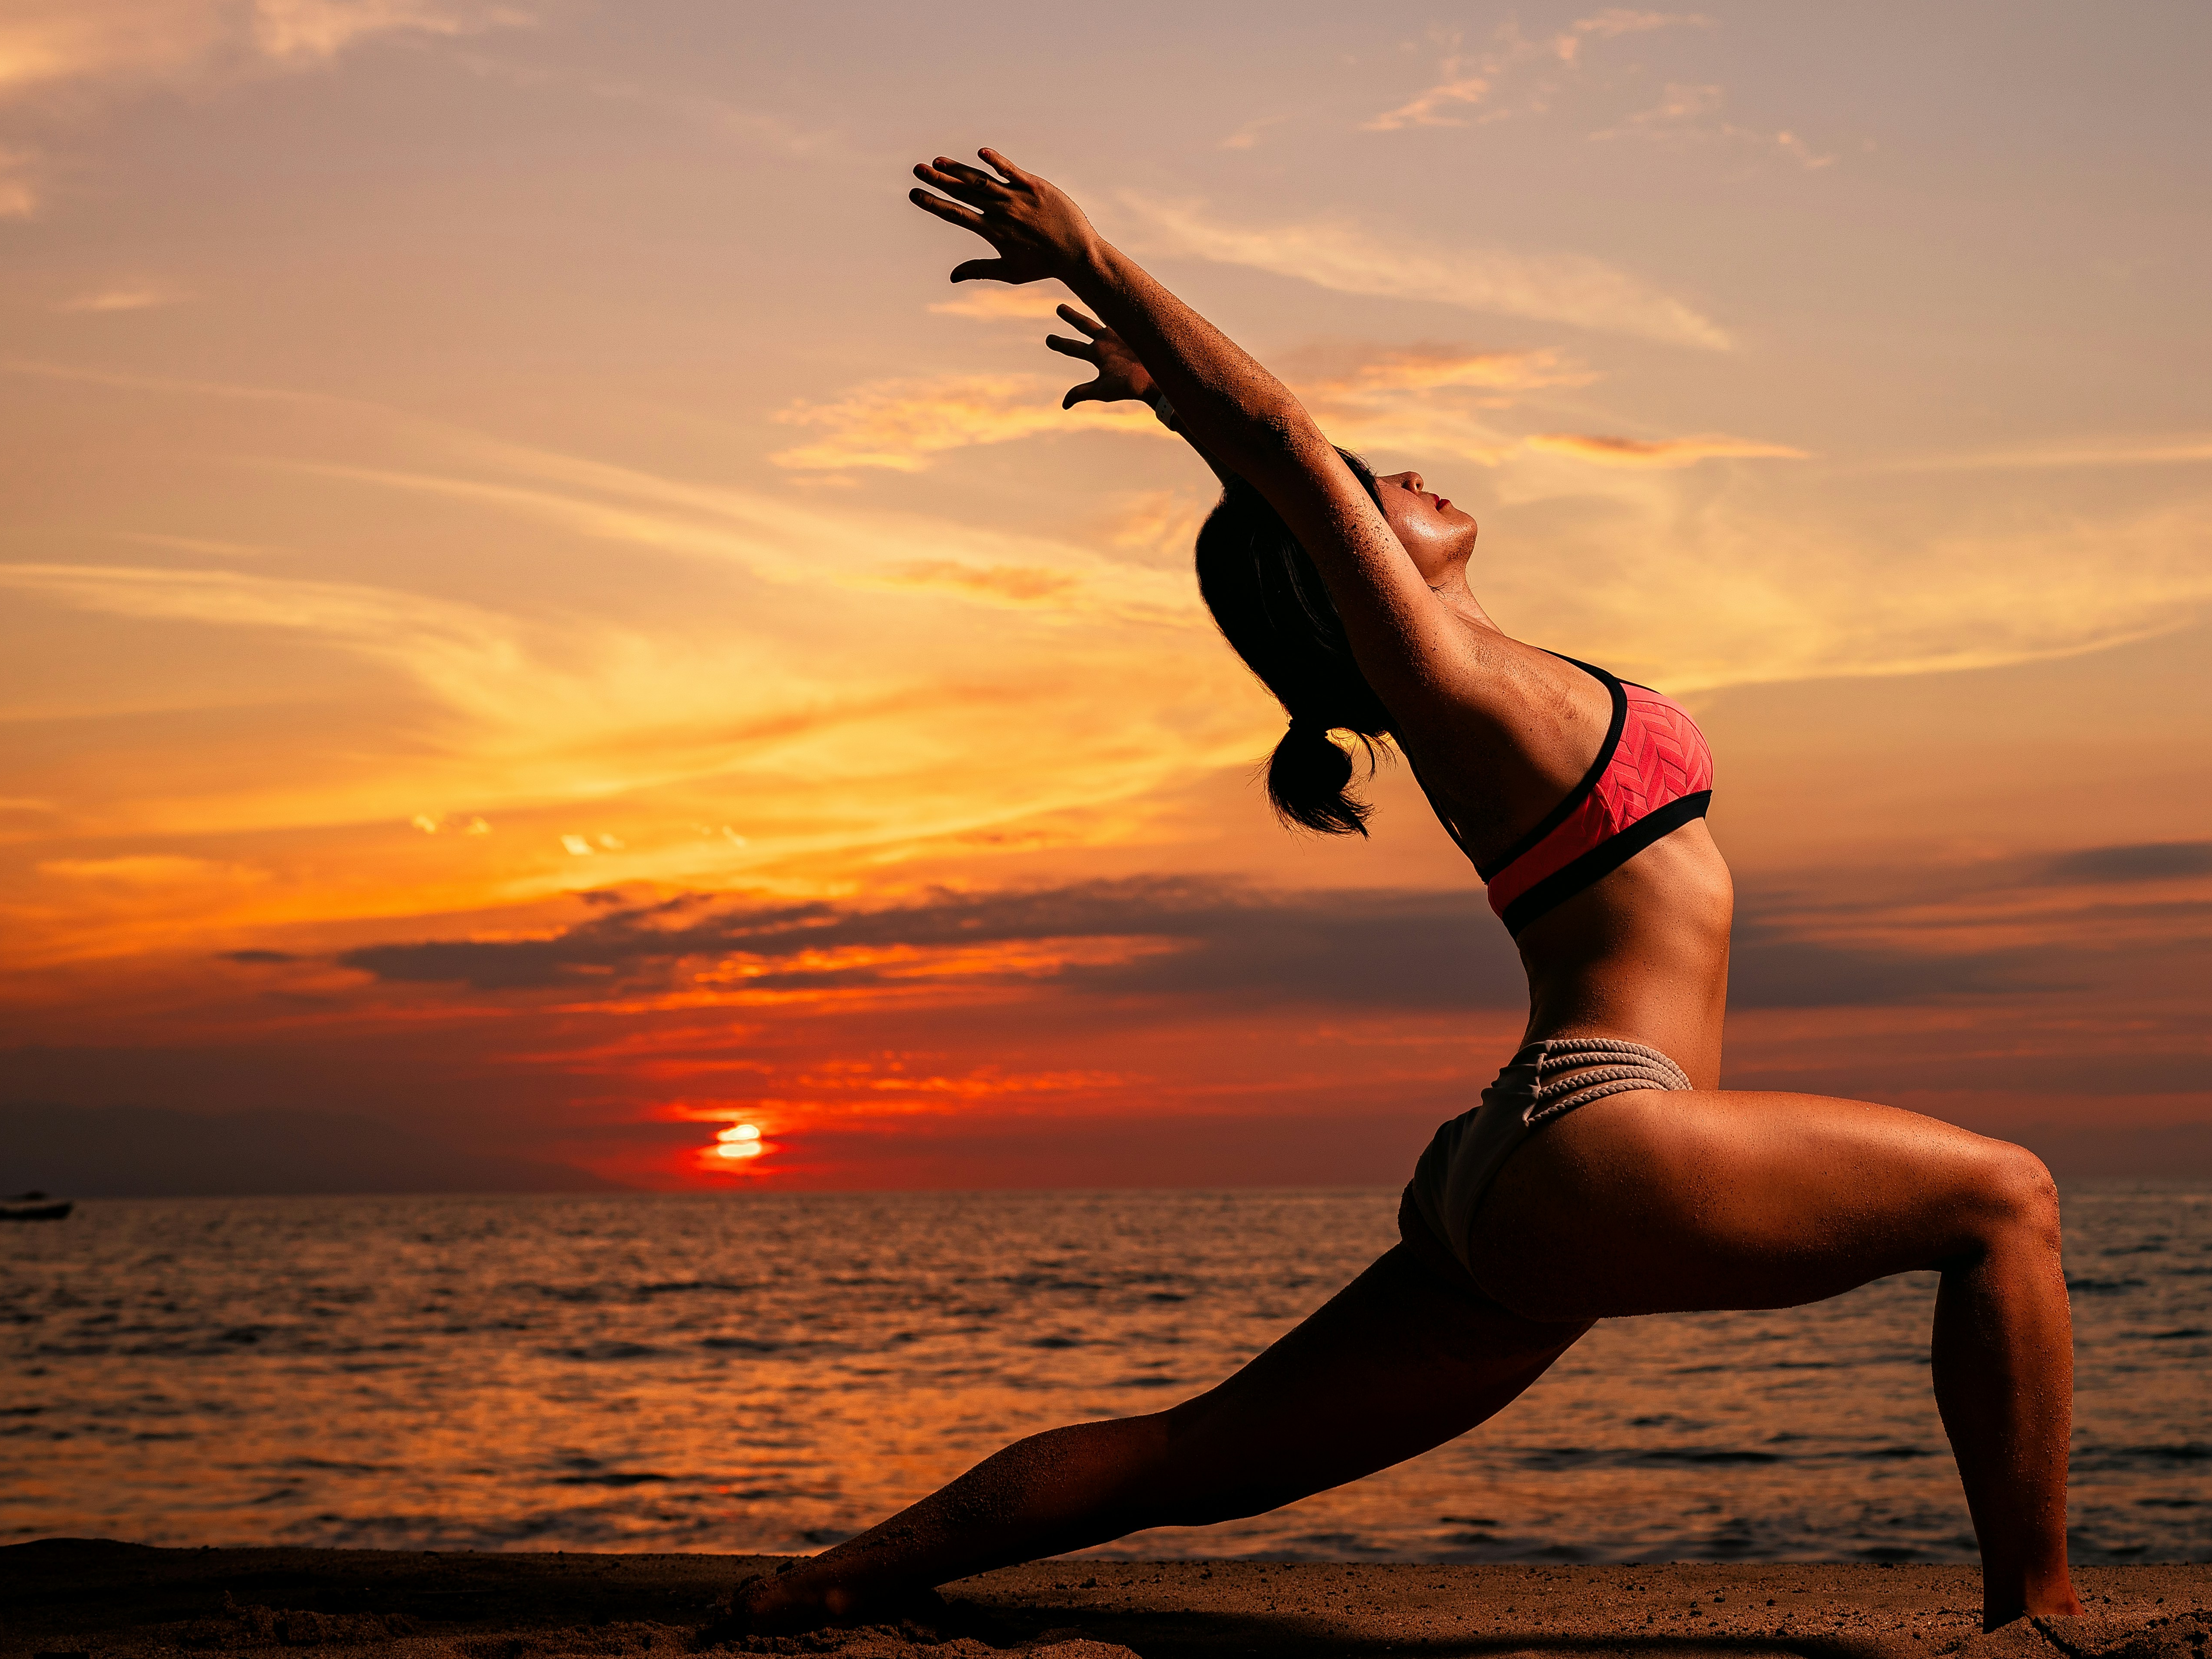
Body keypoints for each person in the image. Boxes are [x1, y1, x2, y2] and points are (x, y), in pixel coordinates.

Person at [730, 150, 2074, 1630]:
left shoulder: (1484, 675)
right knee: (2005, 1198)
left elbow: (1277, 468)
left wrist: (1180, 413)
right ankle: (2045, 1616)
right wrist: (1096, 259)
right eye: (1376, 496)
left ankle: (826, 1584)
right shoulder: (1441, 683)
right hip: (1601, 1127)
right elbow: (1288, 442)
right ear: (1349, 570)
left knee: (1198, 1452)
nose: (1406, 477)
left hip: (1521, 1174)